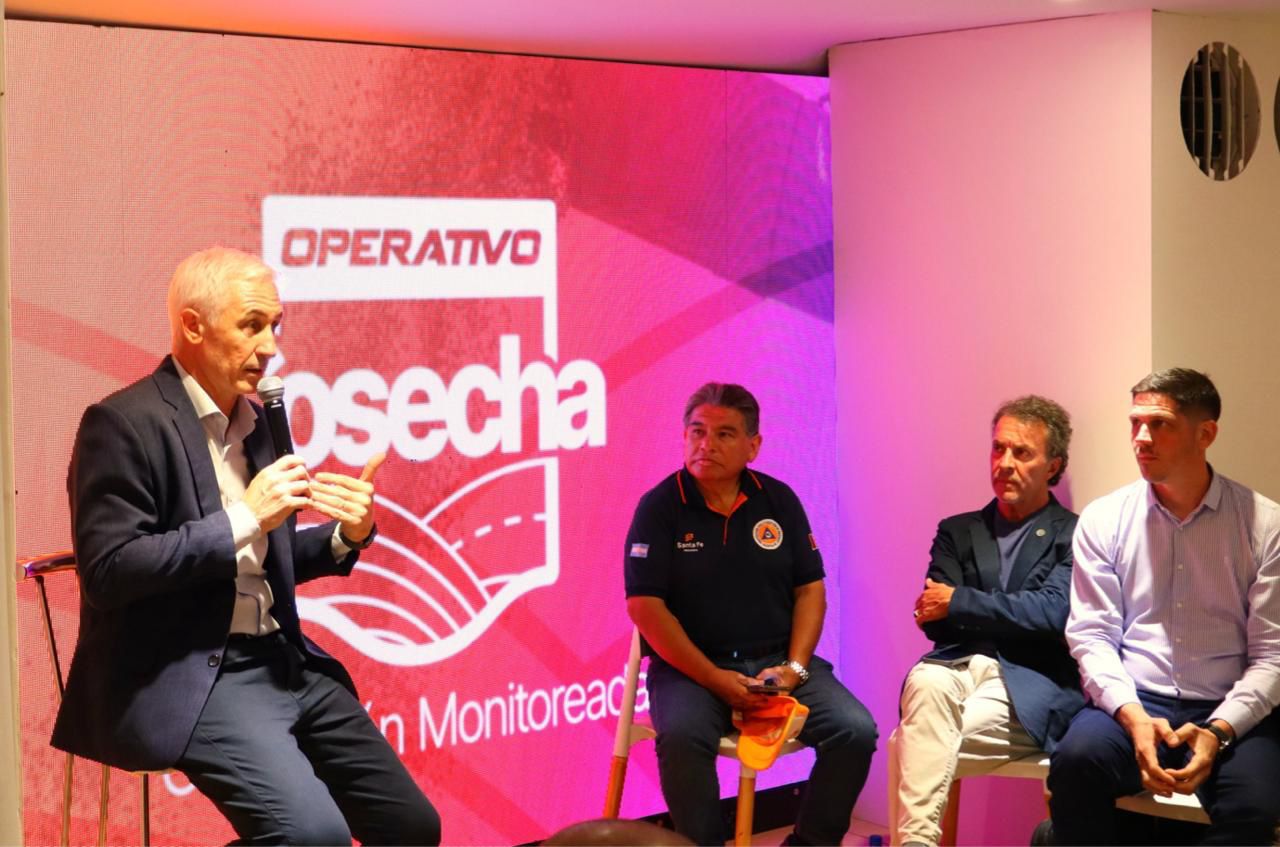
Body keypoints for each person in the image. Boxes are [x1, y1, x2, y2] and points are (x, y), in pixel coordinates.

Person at [51, 247, 441, 845]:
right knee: (314, 839)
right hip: (193, 669)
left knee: (411, 826)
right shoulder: (123, 424)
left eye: (275, 326)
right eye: (252, 325)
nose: (269, 347)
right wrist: (245, 517)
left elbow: (260, 562)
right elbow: (109, 571)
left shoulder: (258, 422)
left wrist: (347, 535)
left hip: (283, 659)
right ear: (193, 326)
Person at [624, 382, 877, 846]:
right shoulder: (659, 507)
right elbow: (644, 606)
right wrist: (713, 677)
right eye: (697, 431)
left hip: (778, 663)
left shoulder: (778, 500)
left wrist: (795, 668)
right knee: (681, 738)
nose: (706, 444)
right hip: (691, 672)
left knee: (855, 730)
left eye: (724, 434)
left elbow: (810, 589)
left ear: (753, 446)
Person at [1048, 368, 1280, 845]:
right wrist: (1131, 715)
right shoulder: (1104, 519)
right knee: (1075, 764)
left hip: (1226, 703)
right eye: (1135, 423)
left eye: (1160, 424)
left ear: (1206, 434)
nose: (1141, 438)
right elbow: (1092, 636)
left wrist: (1219, 730)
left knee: (1255, 805)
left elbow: (1272, 656)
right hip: (1136, 697)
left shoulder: (1264, 524)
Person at [886, 396, 1083, 846]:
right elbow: (934, 622)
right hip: (954, 665)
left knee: (907, 744)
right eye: (998, 448)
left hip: (1029, 680)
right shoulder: (957, 530)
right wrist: (1003, 611)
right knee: (926, 682)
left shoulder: (1073, 533)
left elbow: (1052, 614)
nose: (1005, 463)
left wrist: (959, 602)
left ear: (1053, 466)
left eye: (1022, 452)